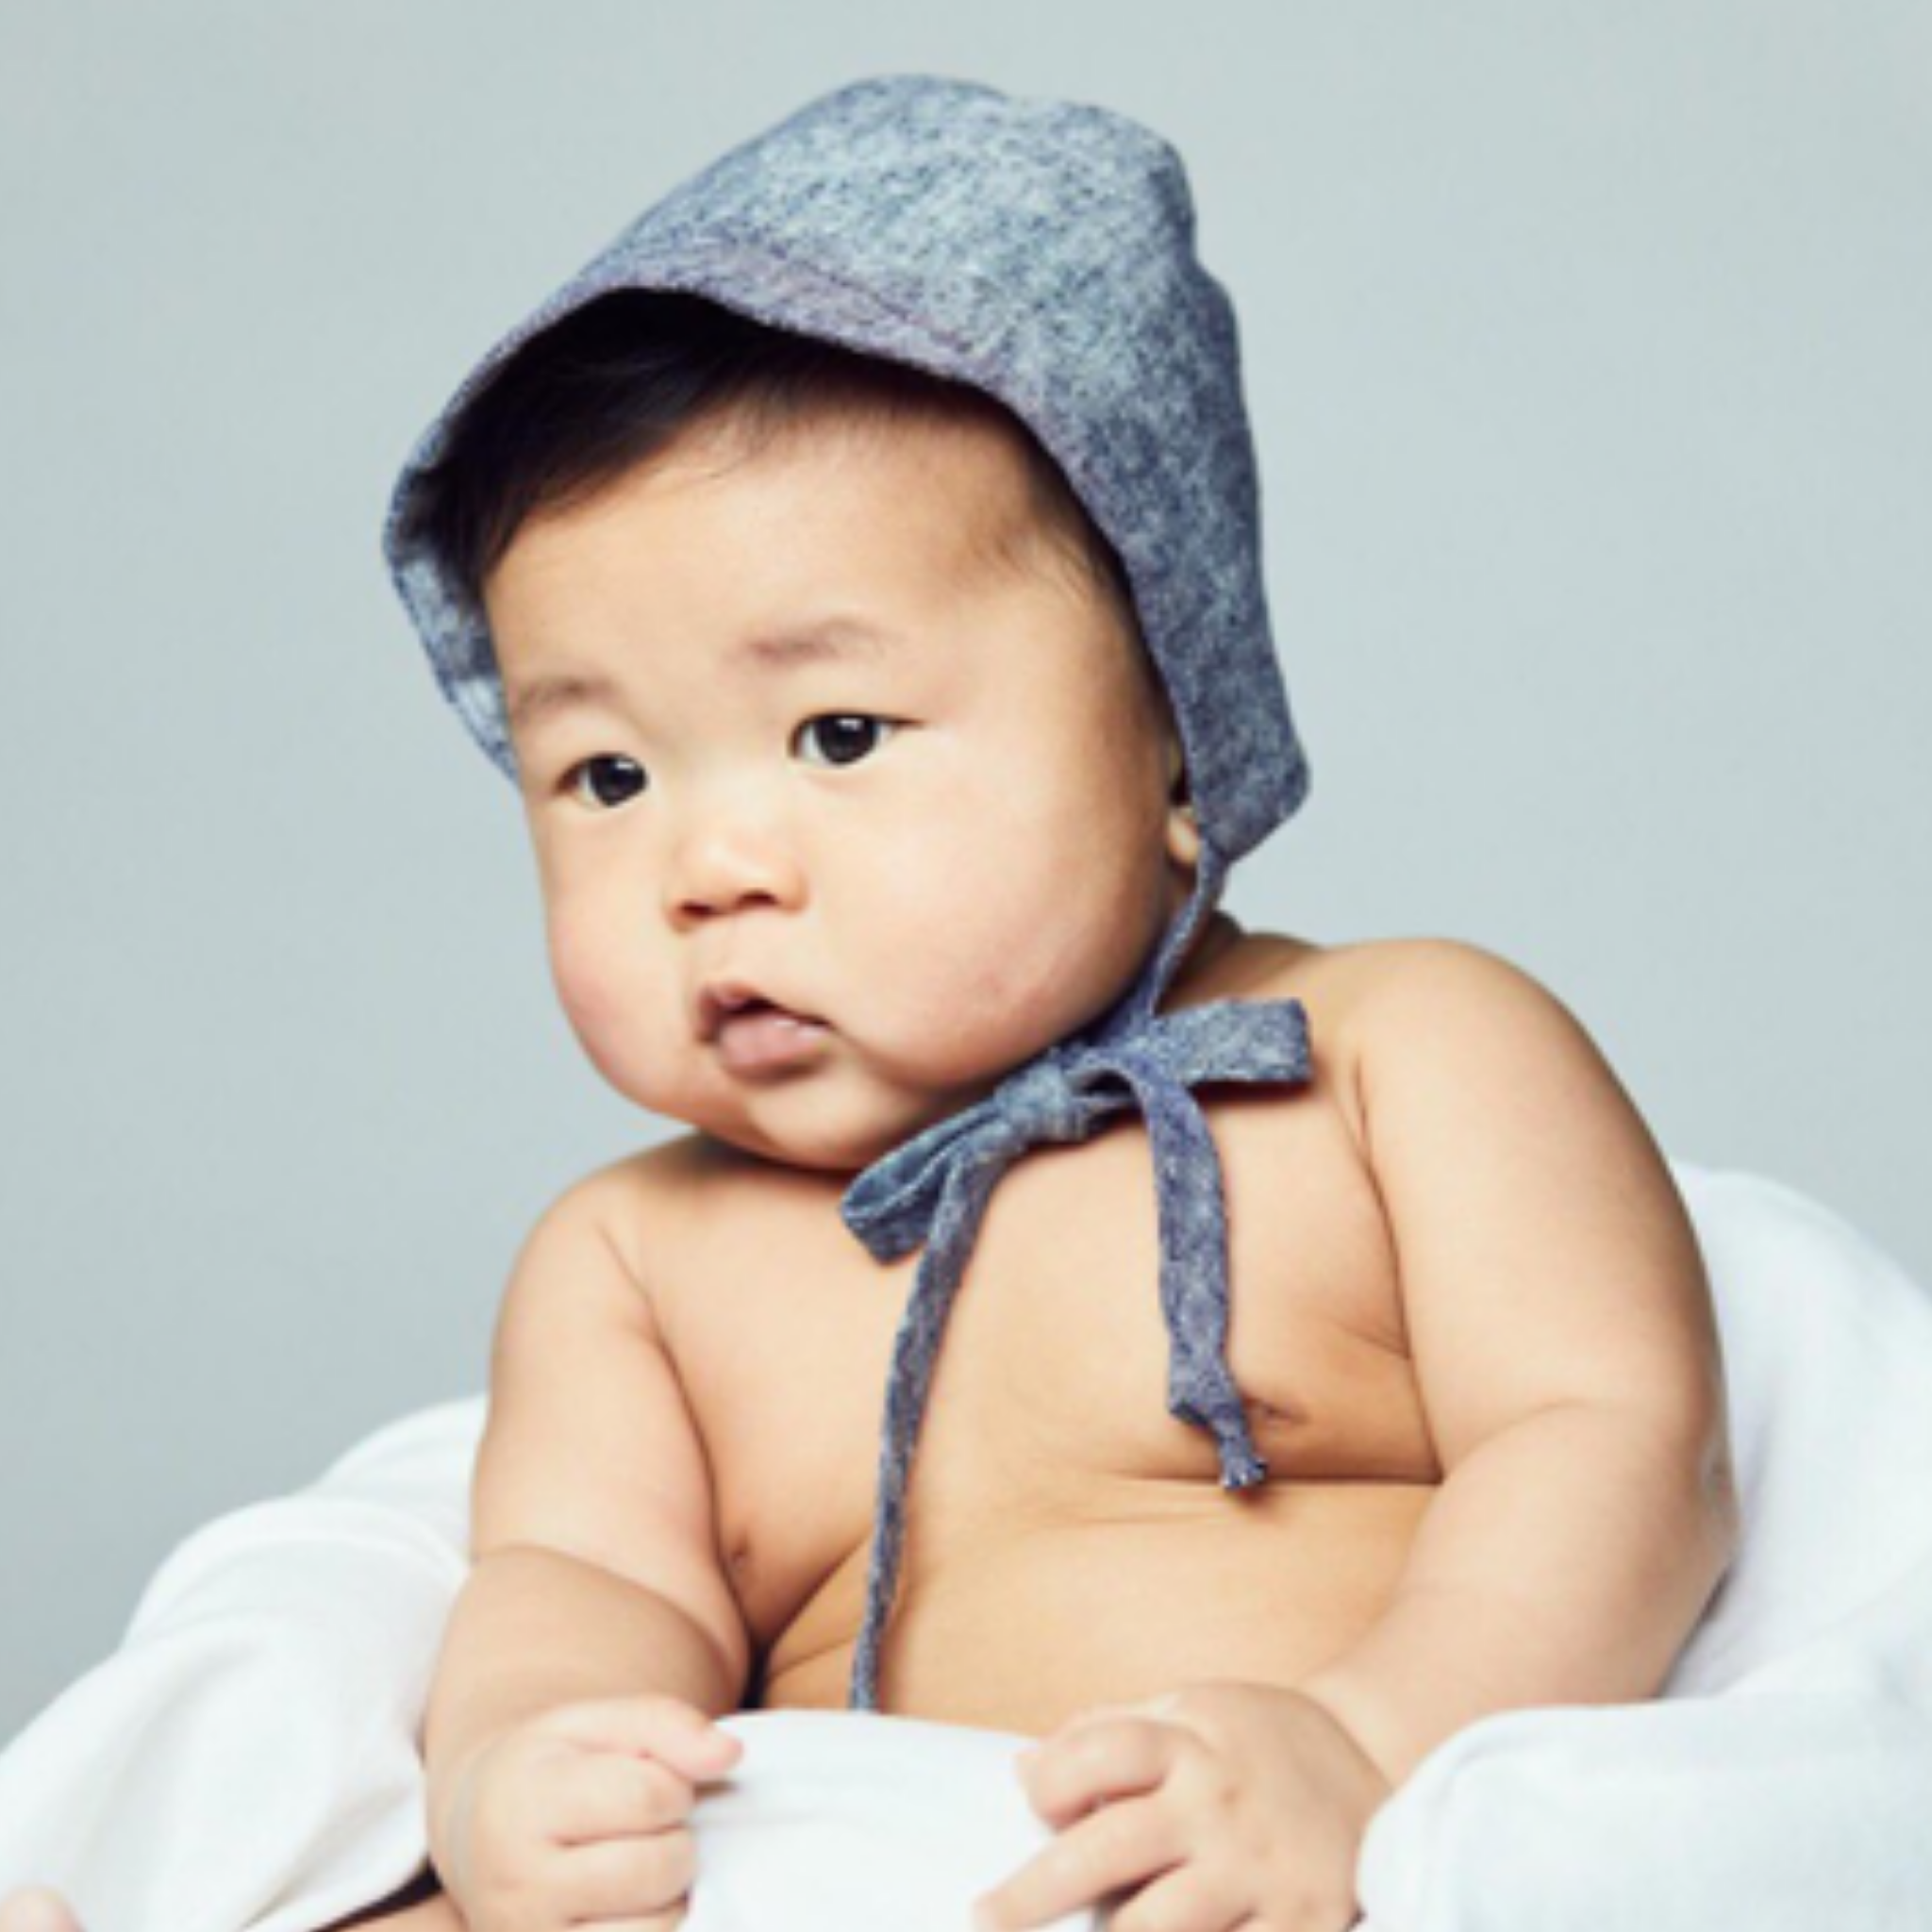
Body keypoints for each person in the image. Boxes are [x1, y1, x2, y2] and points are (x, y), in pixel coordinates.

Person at [2, 73, 1740, 1932]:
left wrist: (1371, 1746)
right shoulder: (631, 1257)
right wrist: (526, 1762)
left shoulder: (1395, 1058)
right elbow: (582, 1583)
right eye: (605, 775)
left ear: (1175, 724)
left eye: (837, 733)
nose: (708, 862)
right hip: (803, 1866)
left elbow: (1614, 1441)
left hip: (1205, 1868)